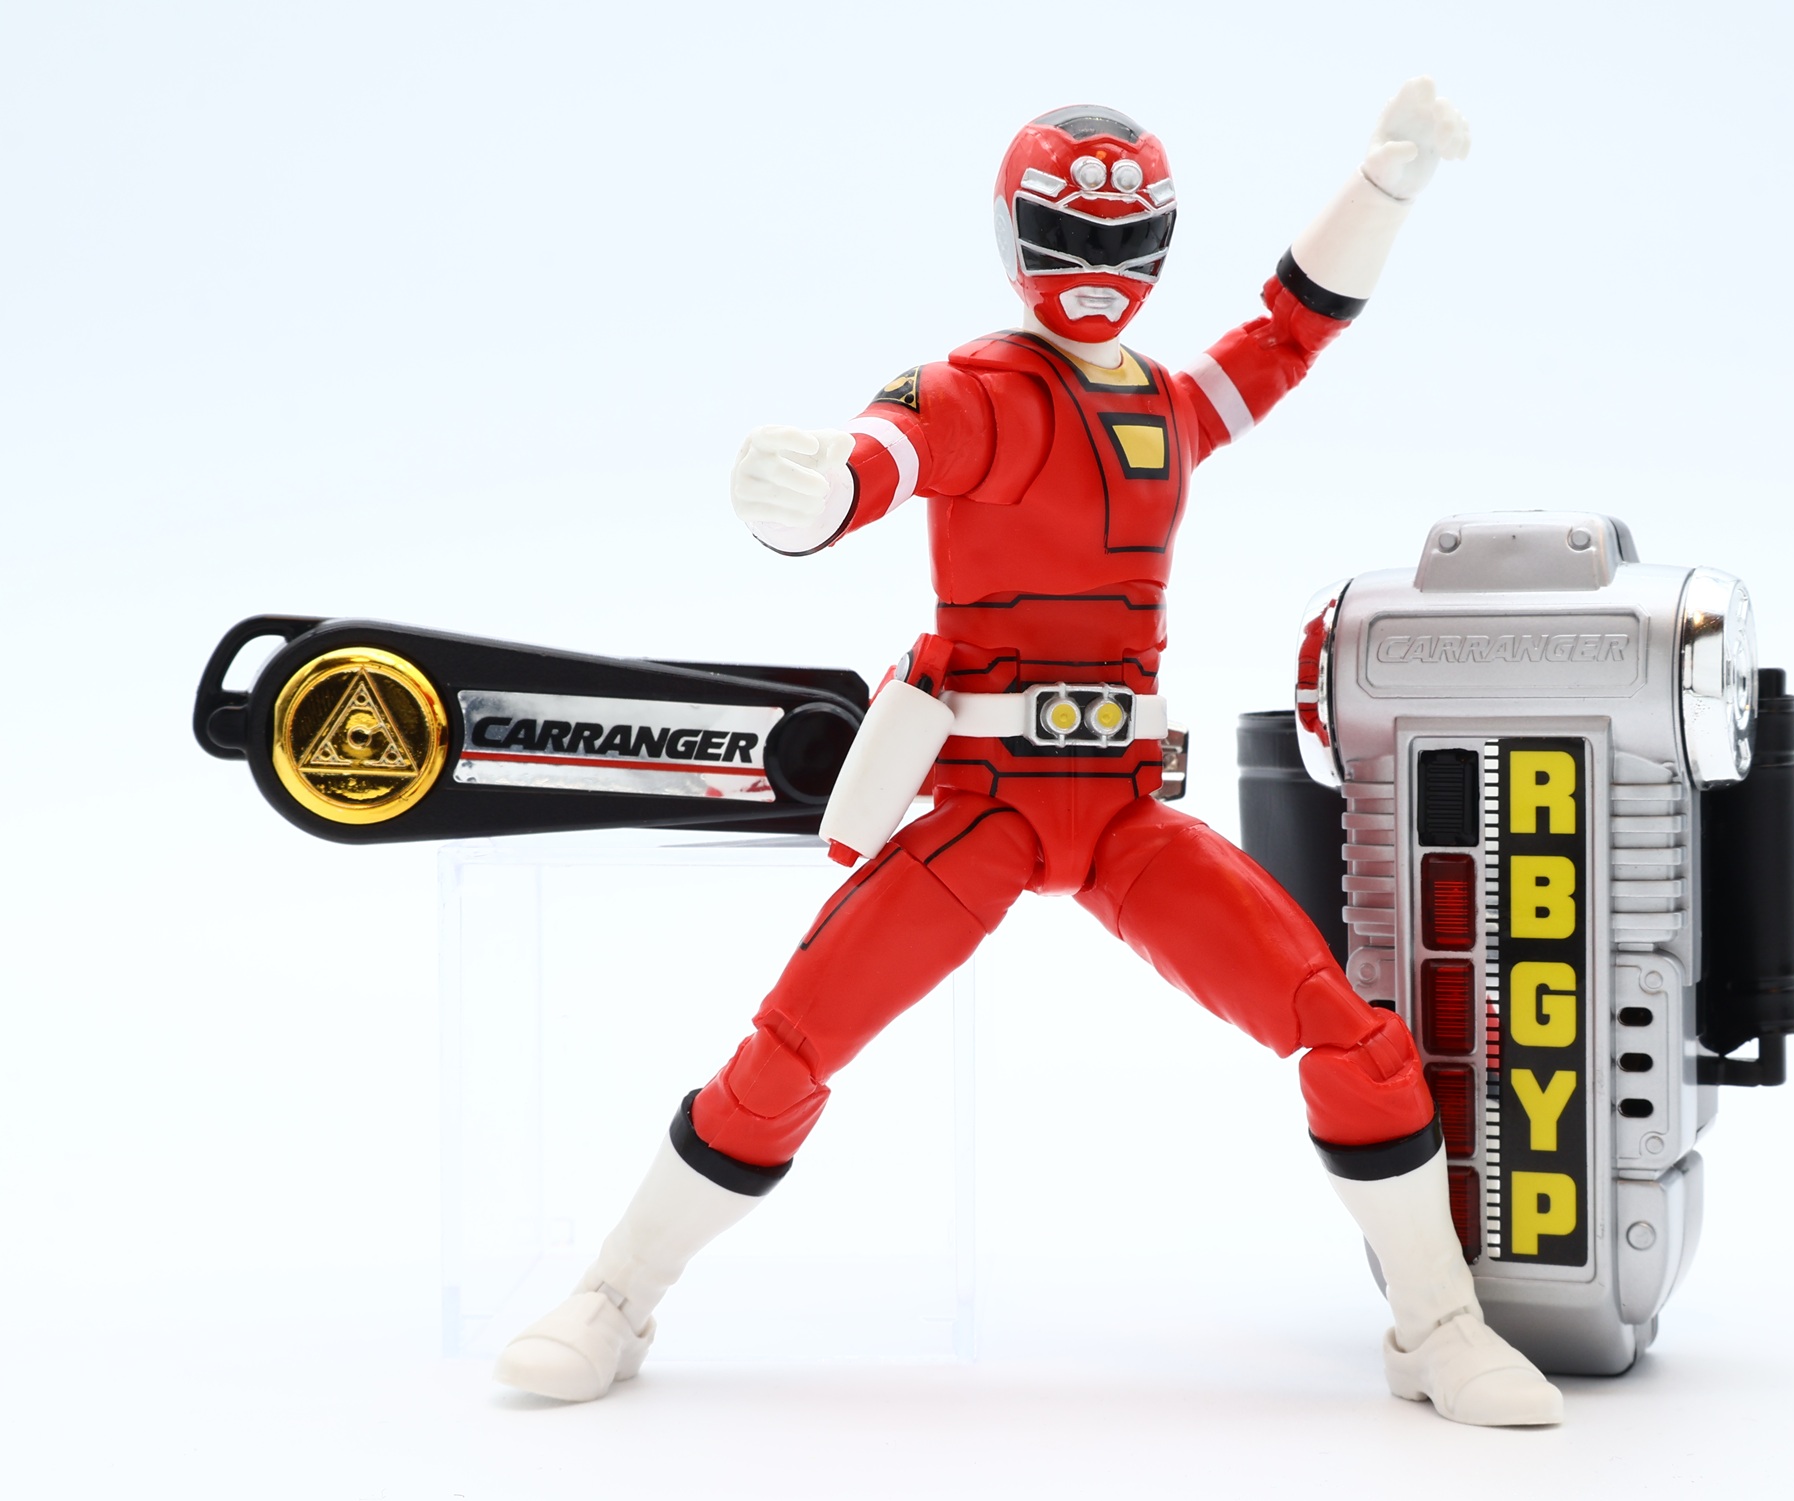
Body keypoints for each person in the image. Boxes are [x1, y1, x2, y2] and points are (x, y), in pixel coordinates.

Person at [496, 81, 1562, 1427]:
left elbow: (1290, 330)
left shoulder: (1171, 405)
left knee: (1352, 1041)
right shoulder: (978, 392)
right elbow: (881, 455)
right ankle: (611, 1296)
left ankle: (1440, 1324)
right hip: (984, 807)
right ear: (1016, 236)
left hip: (1119, 813)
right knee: (787, 1048)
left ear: (1158, 242)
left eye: (1123, 240)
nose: (1097, 268)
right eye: (1069, 235)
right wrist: (811, 493)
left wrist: (1385, 185)